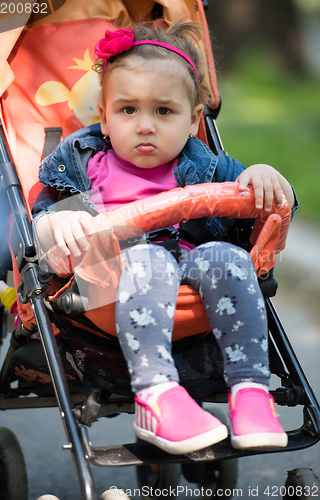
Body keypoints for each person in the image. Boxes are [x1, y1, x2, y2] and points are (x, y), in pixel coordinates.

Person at [33, 22, 297, 455]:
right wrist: (55, 225)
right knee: (147, 260)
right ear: (104, 114)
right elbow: (40, 226)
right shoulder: (85, 165)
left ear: (194, 119)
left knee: (227, 257)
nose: (144, 126)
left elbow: (273, 209)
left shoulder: (206, 165)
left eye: (163, 111)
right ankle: (156, 395)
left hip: (194, 284)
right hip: (109, 286)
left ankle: (250, 390)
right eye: (128, 110)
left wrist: (263, 179)